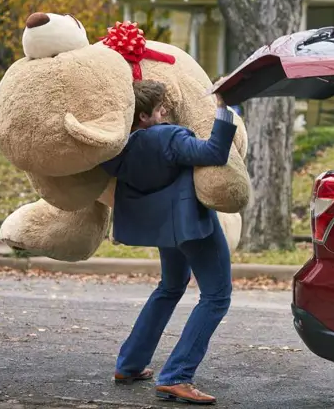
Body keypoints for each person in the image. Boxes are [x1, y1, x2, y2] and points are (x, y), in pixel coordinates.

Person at [101, 79, 236, 405]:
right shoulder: (170, 136)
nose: (166, 112)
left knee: (171, 287)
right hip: (191, 226)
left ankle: (129, 364)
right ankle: (177, 376)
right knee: (217, 295)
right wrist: (224, 109)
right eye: (160, 108)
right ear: (144, 116)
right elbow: (214, 153)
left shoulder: (120, 148)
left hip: (164, 229)